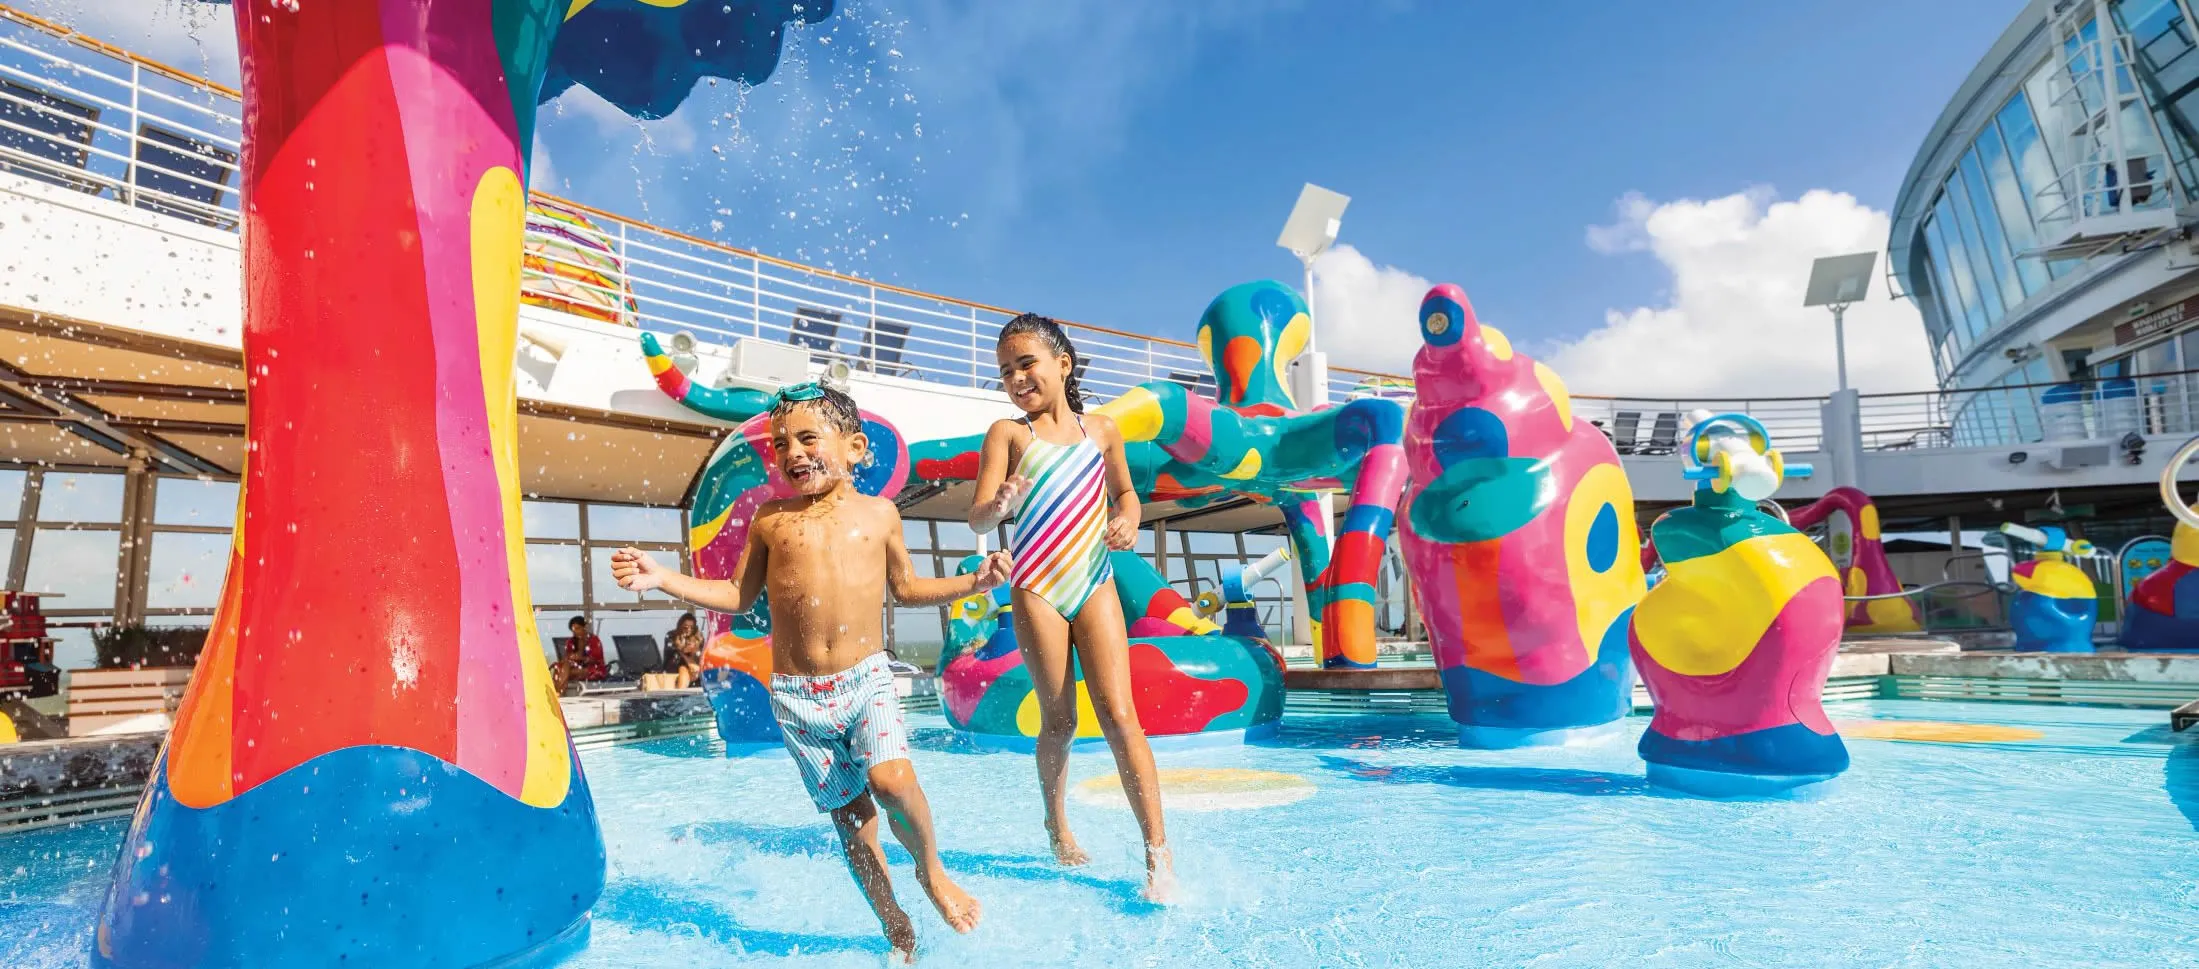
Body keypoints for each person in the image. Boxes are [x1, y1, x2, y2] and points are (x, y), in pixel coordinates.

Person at [612, 382, 999, 960]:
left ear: (854, 448)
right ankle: (891, 918)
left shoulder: (880, 514)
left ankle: (931, 869)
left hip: (864, 681)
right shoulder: (771, 520)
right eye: (780, 443)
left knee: (892, 781)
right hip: (796, 697)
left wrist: (975, 581)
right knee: (853, 820)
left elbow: (908, 588)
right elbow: (739, 595)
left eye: (807, 438)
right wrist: (664, 577)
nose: (791, 452)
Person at [969, 312, 1174, 902]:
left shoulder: (1102, 430)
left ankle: (1158, 852)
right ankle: (1056, 826)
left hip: (1094, 581)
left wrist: (1128, 518)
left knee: (1119, 715)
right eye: (1006, 370)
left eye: (1026, 363)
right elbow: (980, 516)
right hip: (1037, 586)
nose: (1016, 378)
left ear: (1063, 363)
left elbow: (1126, 492)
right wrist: (1001, 502)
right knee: (1058, 720)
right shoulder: (1009, 435)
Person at [643, 612, 705, 691]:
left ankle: (681, 693)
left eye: (692, 628)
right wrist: (683, 651)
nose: (689, 630)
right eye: (685, 627)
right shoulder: (671, 635)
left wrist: (693, 650)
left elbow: (699, 652)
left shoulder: (698, 636)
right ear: (680, 626)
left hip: (693, 665)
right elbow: (675, 651)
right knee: (683, 669)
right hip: (674, 664)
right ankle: (680, 693)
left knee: (693, 668)